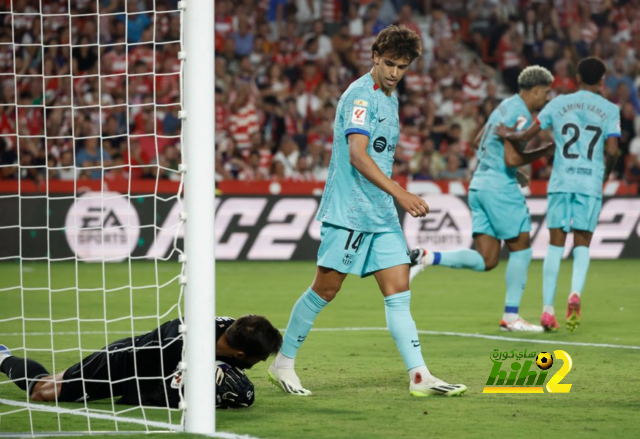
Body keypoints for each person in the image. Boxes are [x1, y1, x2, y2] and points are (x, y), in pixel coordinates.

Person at [267, 25, 467, 398]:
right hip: (350, 212)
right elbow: (358, 155)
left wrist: (391, 199)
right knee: (325, 290)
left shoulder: (389, 97)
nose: (394, 72)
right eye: (389, 63)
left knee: (399, 291)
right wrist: (401, 194)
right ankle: (283, 363)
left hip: (380, 214)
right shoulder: (361, 96)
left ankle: (419, 376)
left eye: (402, 67)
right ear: (375, 56)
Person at [410, 66, 556, 333]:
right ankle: (511, 316)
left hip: (479, 185)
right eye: (546, 93)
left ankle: (429, 256)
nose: (547, 99)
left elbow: (478, 141)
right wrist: (545, 150)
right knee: (522, 248)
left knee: (487, 259)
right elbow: (511, 157)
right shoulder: (522, 114)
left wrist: (512, 170)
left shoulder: (504, 106)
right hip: (500, 188)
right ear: (535, 90)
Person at [496, 57, 620, 332]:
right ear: (602, 81)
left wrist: (509, 135)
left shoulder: (558, 104)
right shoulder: (610, 110)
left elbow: (528, 134)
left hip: (562, 180)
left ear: (577, 78)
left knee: (554, 245)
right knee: (582, 244)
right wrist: (606, 172)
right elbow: (612, 150)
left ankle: (547, 310)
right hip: (589, 183)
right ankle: (574, 293)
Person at [0, 315, 282, 408]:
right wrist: (212, 396)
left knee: (56, 381)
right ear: (240, 355)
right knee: (43, 390)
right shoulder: (180, 346)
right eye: (257, 360)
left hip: (143, 357)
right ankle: (4, 356)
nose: (256, 365)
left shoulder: (232, 329)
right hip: (119, 366)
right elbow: (157, 396)